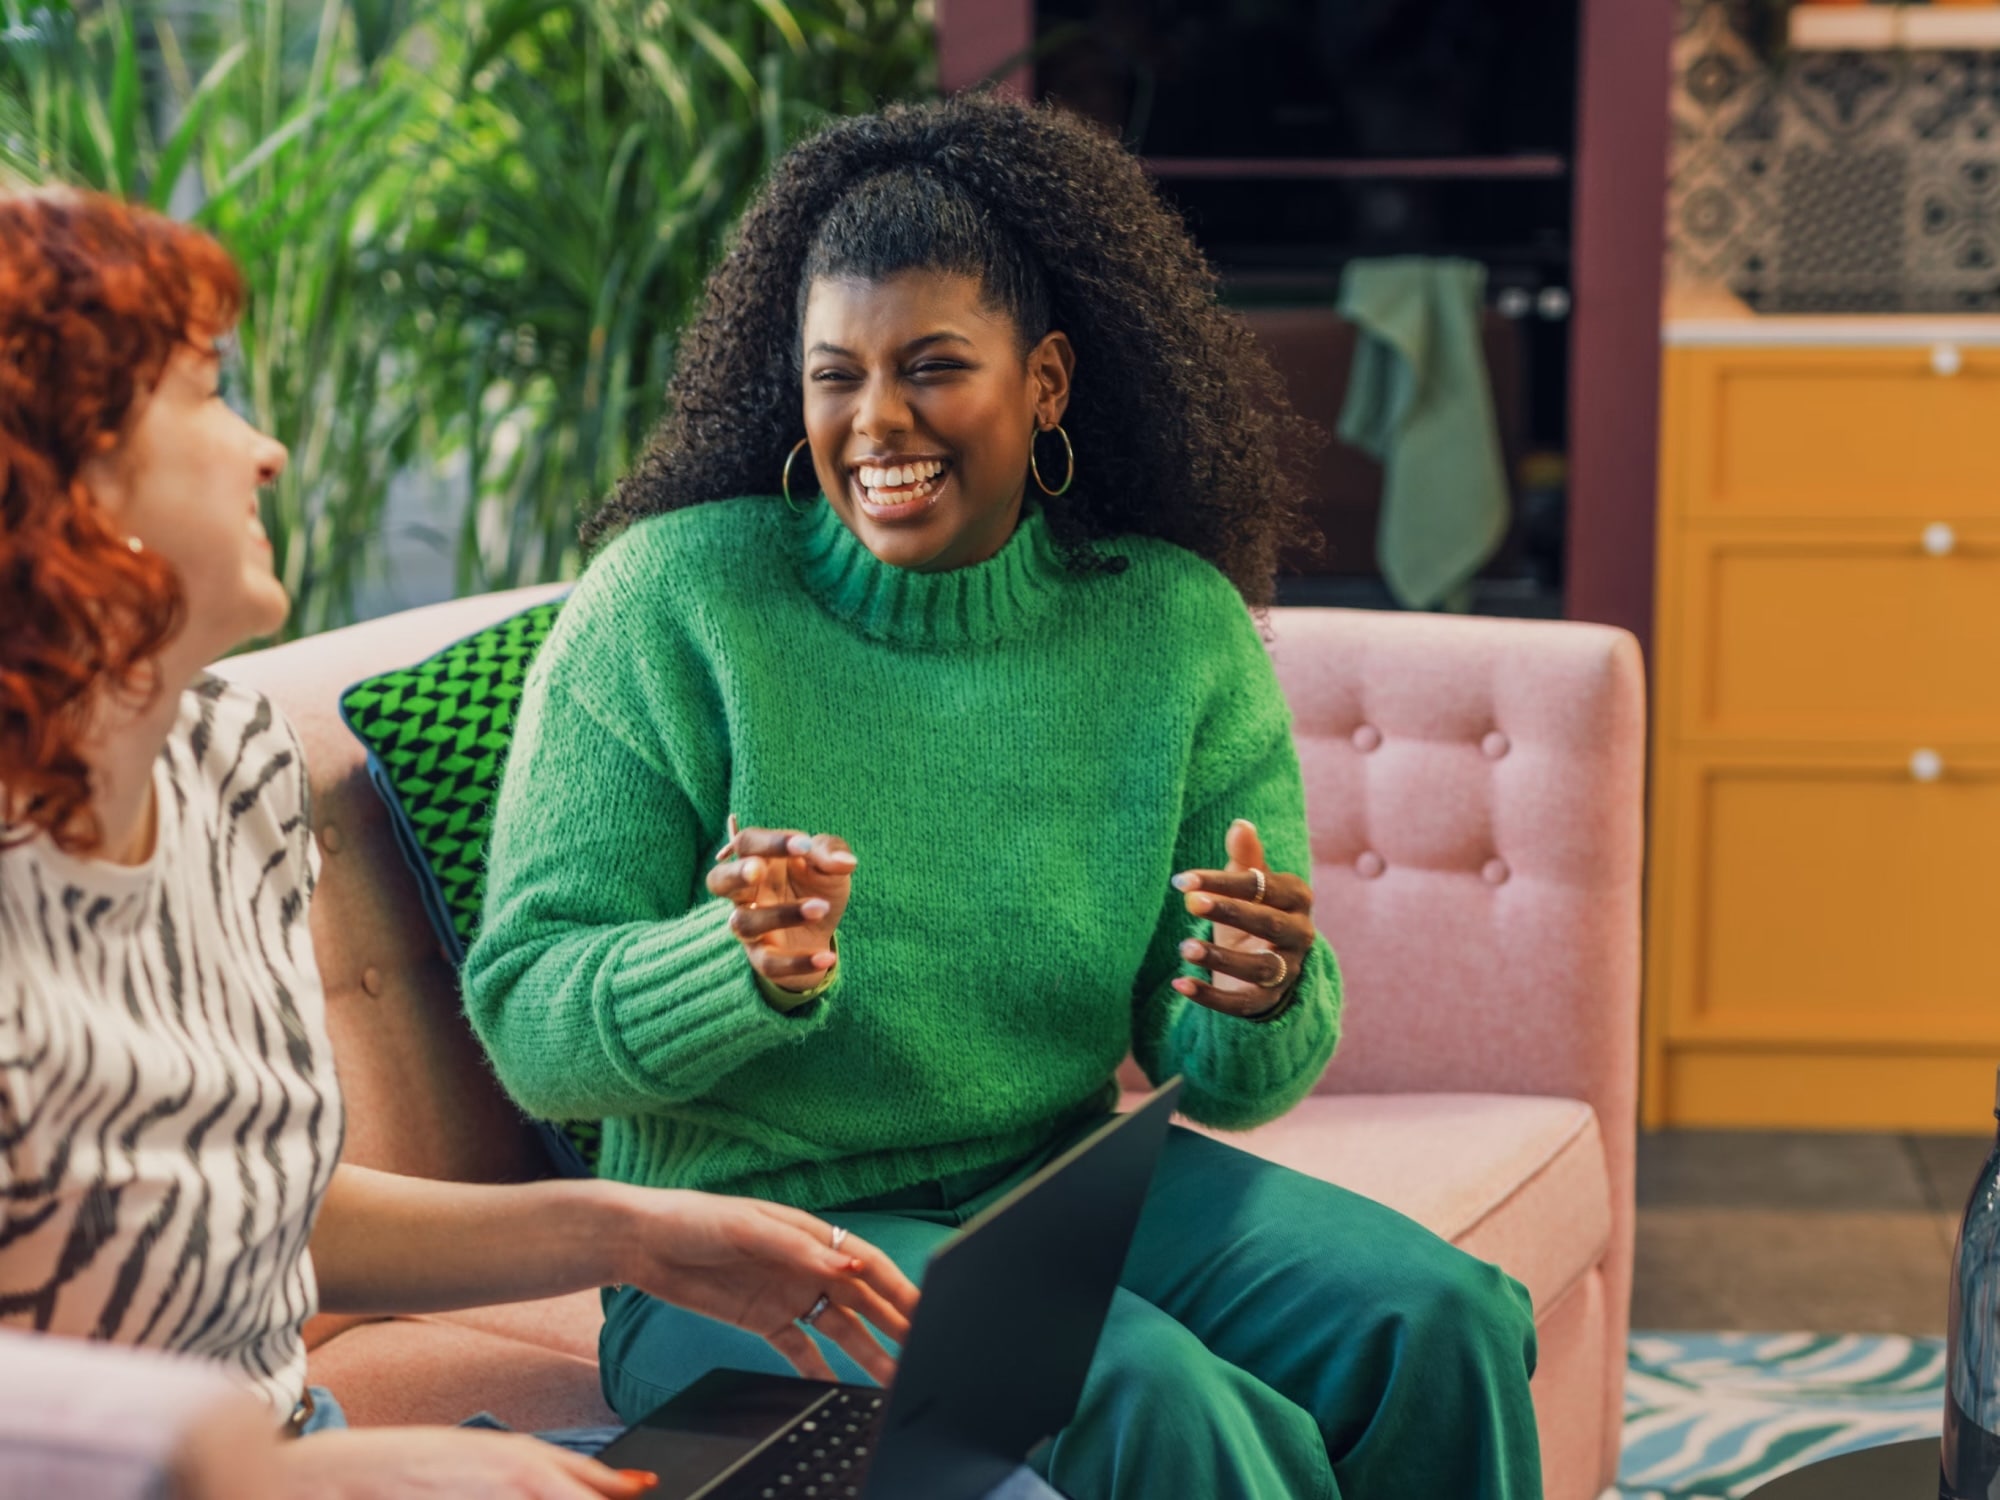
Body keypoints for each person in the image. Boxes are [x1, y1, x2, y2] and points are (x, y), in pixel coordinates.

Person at [464, 93, 1543, 1500]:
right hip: (730, 1247)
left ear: (1044, 382)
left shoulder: (1169, 626)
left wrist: (1253, 996)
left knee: (1438, 1322)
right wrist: (723, 968)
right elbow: (527, 1020)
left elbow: (1222, 1073)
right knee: (1142, 1399)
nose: (876, 421)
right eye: (833, 373)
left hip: (1056, 1192)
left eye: (931, 367)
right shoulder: (673, 602)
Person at [0, 186, 920, 1499]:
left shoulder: (230, 771)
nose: (264, 451)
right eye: (205, 394)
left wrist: (635, 1235)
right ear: (61, 470)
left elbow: (274, 1212)